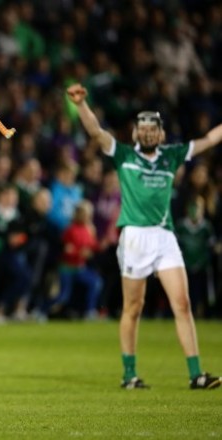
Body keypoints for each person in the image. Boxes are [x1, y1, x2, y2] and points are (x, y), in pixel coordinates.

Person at [67, 83, 222, 390]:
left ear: (162, 133)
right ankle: (129, 375)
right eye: (143, 128)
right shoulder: (123, 154)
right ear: (136, 133)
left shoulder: (172, 155)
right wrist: (82, 105)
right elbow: (96, 132)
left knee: (182, 304)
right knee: (133, 308)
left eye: (154, 128)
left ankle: (196, 374)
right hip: (135, 238)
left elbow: (209, 139)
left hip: (164, 237)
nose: (149, 133)